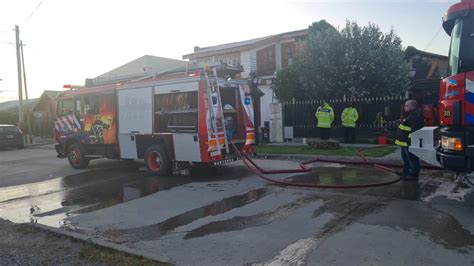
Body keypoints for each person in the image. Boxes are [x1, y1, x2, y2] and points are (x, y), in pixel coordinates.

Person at [395, 100, 424, 181]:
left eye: (406, 106)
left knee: (412, 158)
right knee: (405, 158)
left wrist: (409, 140)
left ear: (412, 107)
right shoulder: (409, 115)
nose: (404, 107)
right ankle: (406, 172)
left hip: (408, 142)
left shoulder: (415, 116)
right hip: (404, 142)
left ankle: (414, 175)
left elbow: (415, 130)